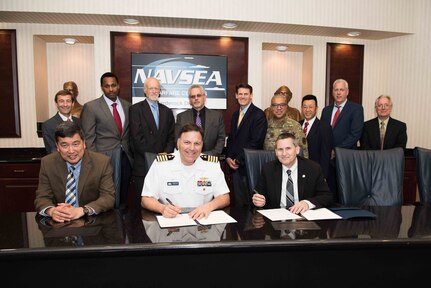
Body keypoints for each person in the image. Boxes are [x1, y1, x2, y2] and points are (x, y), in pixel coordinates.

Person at [141, 123, 230, 219]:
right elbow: (146, 199)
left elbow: (224, 197)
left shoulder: (212, 165)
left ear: (202, 145)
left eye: (197, 143)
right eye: (187, 142)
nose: (192, 148)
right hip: (171, 224)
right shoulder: (161, 164)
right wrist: (162, 208)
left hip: (202, 222)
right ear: (178, 143)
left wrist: (209, 206)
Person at [34, 121, 115, 223]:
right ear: (57, 147)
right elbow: (42, 197)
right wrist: (52, 211)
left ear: (84, 143)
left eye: (76, 144)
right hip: (59, 224)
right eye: (65, 145)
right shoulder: (48, 163)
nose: (71, 151)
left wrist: (82, 210)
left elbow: (108, 197)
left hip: (91, 223)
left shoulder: (101, 162)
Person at [80, 72, 133, 208]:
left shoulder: (127, 106)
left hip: (125, 157)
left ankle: (122, 221)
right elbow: (89, 138)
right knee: (107, 194)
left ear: (118, 86)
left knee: (123, 195)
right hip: (104, 158)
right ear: (102, 88)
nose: (111, 89)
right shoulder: (91, 107)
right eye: (107, 86)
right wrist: (94, 161)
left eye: (113, 85)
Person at [252, 132, 333, 214]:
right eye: (280, 149)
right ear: (276, 152)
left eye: (288, 148)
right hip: (277, 218)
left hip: (304, 219)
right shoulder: (268, 169)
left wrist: (307, 203)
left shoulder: (313, 168)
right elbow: (257, 194)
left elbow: (326, 196)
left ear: (297, 150)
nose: (284, 153)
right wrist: (257, 200)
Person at [130, 76, 175, 207]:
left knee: (162, 205)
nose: (154, 91)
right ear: (145, 90)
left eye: (157, 88)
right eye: (151, 88)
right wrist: (155, 155)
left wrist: (165, 153)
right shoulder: (135, 110)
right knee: (144, 205)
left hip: (163, 165)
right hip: (143, 165)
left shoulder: (166, 111)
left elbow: (172, 136)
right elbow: (136, 138)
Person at [320, 79, 364, 199]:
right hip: (327, 160)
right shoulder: (326, 110)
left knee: (344, 195)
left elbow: (355, 134)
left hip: (345, 158)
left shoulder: (356, 109)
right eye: (336, 90)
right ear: (332, 92)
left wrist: (337, 150)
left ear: (347, 92)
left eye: (341, 90)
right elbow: (322, 133)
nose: (339, 93)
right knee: (329, 192)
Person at [226, 83, 267, 207]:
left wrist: (238, 160)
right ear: (236, 96)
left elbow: (256, 142)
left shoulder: (258, 115)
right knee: (238, 203)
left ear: (251, 96)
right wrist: (228, 158)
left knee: (250, 205)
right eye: (240, 94)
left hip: (248, 166)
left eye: (246, 94)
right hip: (235, 168)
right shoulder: (234, 115)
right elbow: (232, 139)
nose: (243, 96)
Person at [175, 84, 225, 156]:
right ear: (190, 100)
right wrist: (190, 154)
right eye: (193, 96)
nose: (196, 98)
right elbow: (178, 140)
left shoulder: (217, 116)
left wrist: (209, 155)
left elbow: (221, 139)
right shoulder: (181, 117)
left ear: (204, 97)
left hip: (210, 159)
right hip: (188, 159)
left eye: (198, 95)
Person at [263, 92, 309, 158]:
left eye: (282, 105)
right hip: (270, 165)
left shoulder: (295, 126)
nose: (279, 108)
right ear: (271, 107)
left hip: (289, 165)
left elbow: (304, 152)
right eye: (275, 105)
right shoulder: (265, 126)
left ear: (286, 106)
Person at [299, 94, 333, 179]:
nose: (307, 110)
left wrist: (323, 176)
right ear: (302, 108)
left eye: (311, 107)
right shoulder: (297, 125)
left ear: (316, 109)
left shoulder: (324, 127)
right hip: (298, 170)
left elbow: (325, 155)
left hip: (314, 172)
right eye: (305, 107)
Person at [42, 89, 81, 154]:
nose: (65, 104)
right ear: (56, 104)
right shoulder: (48, 125)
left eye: (68, 101)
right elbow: (52, 150)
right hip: (60, 162)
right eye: (61, 101)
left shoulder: (80, 122)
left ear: (72, 103)